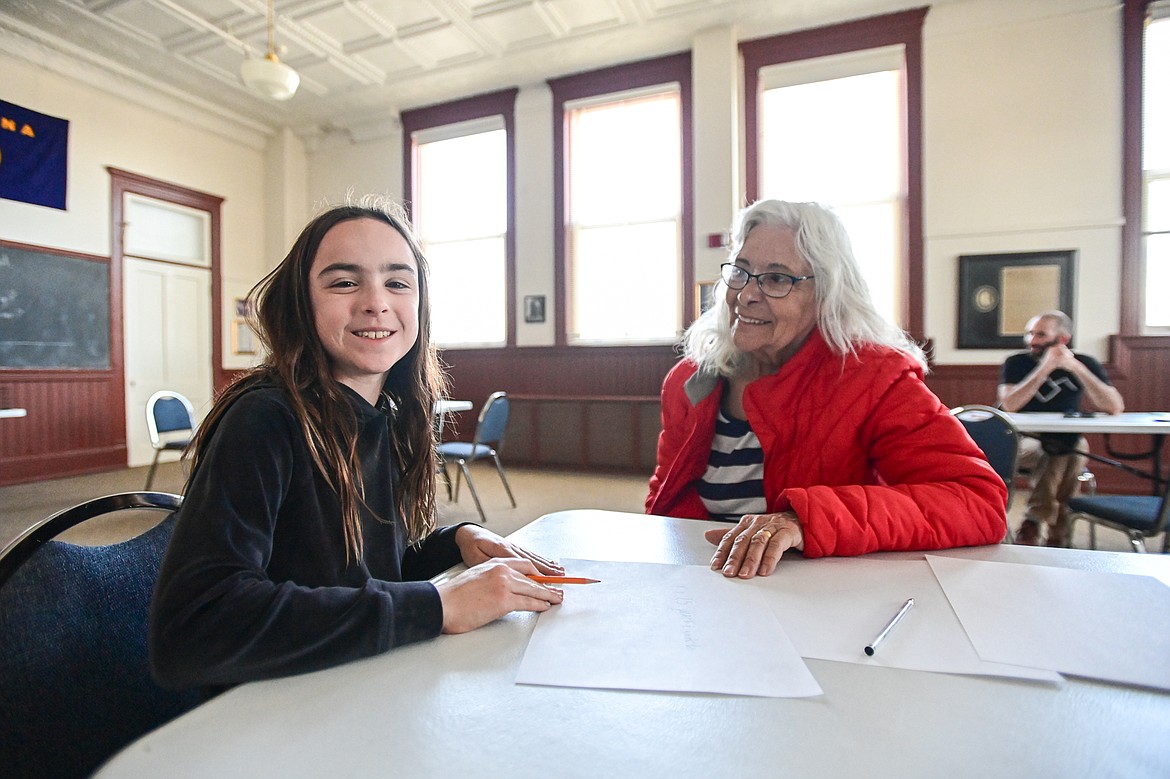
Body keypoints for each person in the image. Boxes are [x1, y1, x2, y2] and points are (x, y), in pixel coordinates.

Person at [151, 197, 564, 691]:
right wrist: (437, 605)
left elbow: (353, 573)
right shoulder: (264, 420)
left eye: (397, 282)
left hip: (350, 684)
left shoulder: (383, 415)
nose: (376, 302)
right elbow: (194, 630)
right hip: (272, 714)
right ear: (301, 302)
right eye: (345, 281)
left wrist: (453, 543)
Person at [646, 200, 1007, 579]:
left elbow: (976, 502)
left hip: (821, 596)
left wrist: (805, 521)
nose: (747, 294)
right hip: (709, 587)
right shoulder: (692, 379)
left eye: (777, 279)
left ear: (827, 294)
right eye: (742, 271)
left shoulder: (873, 378)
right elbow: (666, 496)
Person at [997, 310, 1124, 547]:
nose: (1032, 340)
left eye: (1041, 335)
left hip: (1065, 438)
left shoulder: (1085, 363)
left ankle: (1033, 524)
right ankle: (1056, 533)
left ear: (1063, 339)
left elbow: (1114, 406)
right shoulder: (1017, 362)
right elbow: (1010, 405)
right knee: (1063, 450)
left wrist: (1075, 367)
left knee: (1067, 447)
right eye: (1030, 334)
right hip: (1020, 440)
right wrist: (1045, 367)